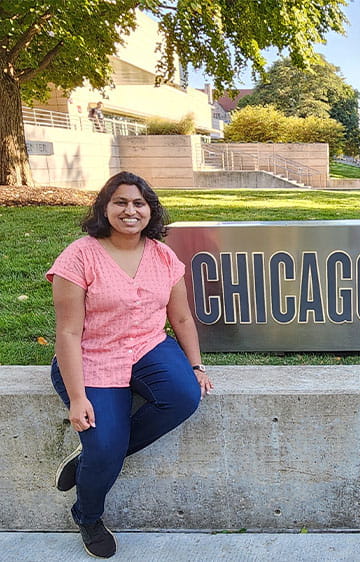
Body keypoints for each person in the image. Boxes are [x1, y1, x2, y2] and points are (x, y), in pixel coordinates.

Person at [47, 171, 214, 558]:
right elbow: (68, 333)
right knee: (105, 448)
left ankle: (96, 454)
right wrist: (76, 398)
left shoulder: (162, 255)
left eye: (139, 203)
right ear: (105, 208)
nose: (130, 210)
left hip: (147, 347)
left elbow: (183, 319)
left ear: (150, 210)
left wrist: (196, 366)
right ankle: (87, 515)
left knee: (184, 397)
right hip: (92, 356)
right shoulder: (79, 256)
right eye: (120, 202)